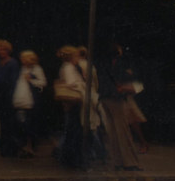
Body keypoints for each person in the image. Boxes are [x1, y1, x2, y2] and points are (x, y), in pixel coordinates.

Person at [97, 43, 142, 171]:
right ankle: (130, 162)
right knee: (123, 131)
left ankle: (117, 161)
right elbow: (125, 78)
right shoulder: (118, 64)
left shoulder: (102, 64)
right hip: (116, 98)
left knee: (113, 132)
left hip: (104, 97)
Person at [56, 45, 87, 169]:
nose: (78, 58)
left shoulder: (67, 67)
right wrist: (82, 82)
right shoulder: (69, 67)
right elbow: (71, 83)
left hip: (72, 102)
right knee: (73, 130)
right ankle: (70, 159)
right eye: (76, 56)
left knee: (71, 130)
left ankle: (67, 157)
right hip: (74, 101)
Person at [12, 50, 46, 157]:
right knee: (21, 123)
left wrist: (31, 80)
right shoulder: (21, 69)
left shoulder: (36, 69)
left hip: (31, 100)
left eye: (24, 58)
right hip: (20, 99)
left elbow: (43, 82)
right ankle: (24, 146)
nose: (22, 60)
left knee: (30, 124)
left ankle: (30, 146)